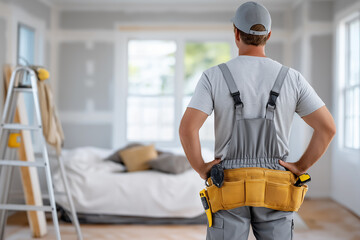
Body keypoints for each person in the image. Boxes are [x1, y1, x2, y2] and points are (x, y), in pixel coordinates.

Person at [179, 1, 336, 240]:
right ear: (269, 35)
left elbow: (187, 129)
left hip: (228, 183)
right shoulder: (292, 78)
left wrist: (201, 168)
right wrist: (300, 167)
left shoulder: (213, 76)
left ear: (235, 33)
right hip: (276, 184)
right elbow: (327, 128)